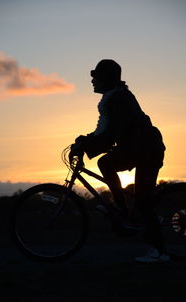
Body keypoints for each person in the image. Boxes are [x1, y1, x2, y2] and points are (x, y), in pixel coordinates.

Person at [69, 59, 170, 263]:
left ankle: (160, 253)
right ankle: (123, 210)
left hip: (147, 151)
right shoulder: (112, 97)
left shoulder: (119, 99)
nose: (92, 81)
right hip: (138, 150)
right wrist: (85, 141)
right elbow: (103, 130)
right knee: (106, 163)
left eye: (95, 76)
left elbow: (112, 133)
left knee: (143, 201)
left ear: (106, 78)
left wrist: (87, 145)